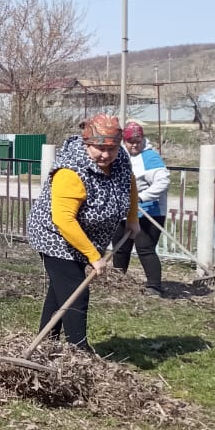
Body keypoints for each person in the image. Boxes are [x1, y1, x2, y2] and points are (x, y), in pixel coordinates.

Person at [25, 114, 139, 353]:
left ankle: (45, 345)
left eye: (112, 148)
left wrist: (132, 219)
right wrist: (93, 256)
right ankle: (80, 351)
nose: (106, 155)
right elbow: (64, 220)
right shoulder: (71, 170)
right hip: (54, 237)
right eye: (99, 148)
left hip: (86, 236)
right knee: (77, 292)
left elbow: (129, 184)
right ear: (87, 144)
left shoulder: (119, 161)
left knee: (60, 293)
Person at [111, 121, 170, 297]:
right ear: (124, 140)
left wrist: (141, 198)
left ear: (142, 139)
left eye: (137, 141)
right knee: (120, 247)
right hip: (124, 210)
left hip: (149, 212)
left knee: (145, 247)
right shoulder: (119, 154)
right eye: (130, 141)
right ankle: (117, 280)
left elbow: (163, 182)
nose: (134, 145)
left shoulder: (150, 157)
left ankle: (154, 286)